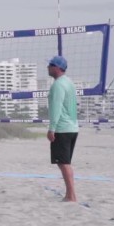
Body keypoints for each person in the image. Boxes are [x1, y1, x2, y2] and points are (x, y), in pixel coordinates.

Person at [46, 55, 79, 202]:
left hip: (62, 128)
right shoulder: (69, 82)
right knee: (64, 163)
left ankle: (71, 195)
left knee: (64, 164)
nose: (48, 67)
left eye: (51, 65)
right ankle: (70, 194)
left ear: (57, 68)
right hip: (72, 127)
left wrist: (51, 129)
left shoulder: (58, 85)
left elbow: (56, 108)